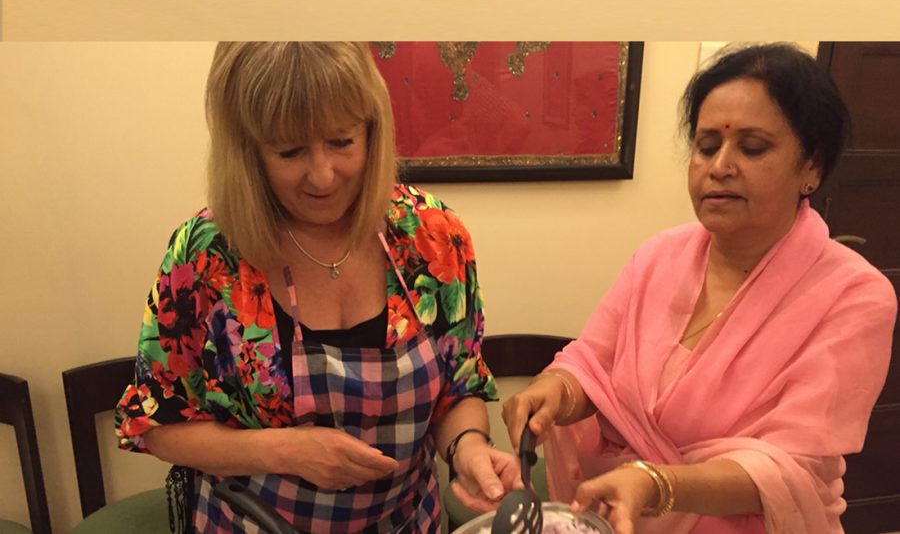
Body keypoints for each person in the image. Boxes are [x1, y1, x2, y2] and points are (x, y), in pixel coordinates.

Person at [114, 42, 521, 534]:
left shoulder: (431, 235)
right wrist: (283, 451)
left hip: (406, 523)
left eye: (342, 142)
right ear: (247, 150)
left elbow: (458, 386)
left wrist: (468, 447)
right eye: (289, 151)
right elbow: (158, 424)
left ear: (371, 129)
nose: (324, 176)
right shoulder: (207, 255)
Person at [502, 43, 896, 534]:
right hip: (618, 514)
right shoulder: (658, 256)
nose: (719, 166)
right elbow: (591, 364)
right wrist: (555, 392)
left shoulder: (854, 296)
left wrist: (656, 484)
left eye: (753, 148)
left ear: (811, 167)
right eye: (707, 146)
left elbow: (791, 470)